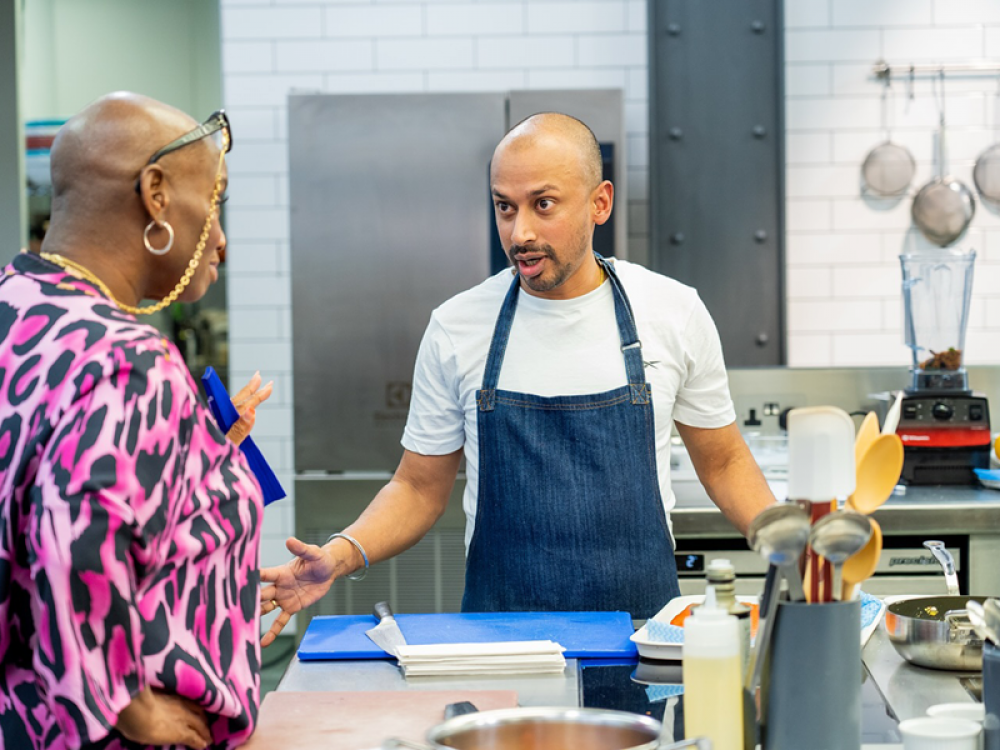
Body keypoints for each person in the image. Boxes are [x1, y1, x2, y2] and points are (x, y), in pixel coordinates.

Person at [259, 112, 775, 640]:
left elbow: (724, 460)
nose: (519, 232)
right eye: (505, 207)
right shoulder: (458, 326)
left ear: (600, 202)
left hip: (642, 640)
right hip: (501, 644)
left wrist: (790, 546)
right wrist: (339, 555)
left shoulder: (671, 311)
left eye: (542, 204)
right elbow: (417, 486)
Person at [0, 92, 272, 750]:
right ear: (155, 194)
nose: (222, 241)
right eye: (214, 202)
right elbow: (77, 544)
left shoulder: (18, 303)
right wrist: (122, 703)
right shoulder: (127, 359)